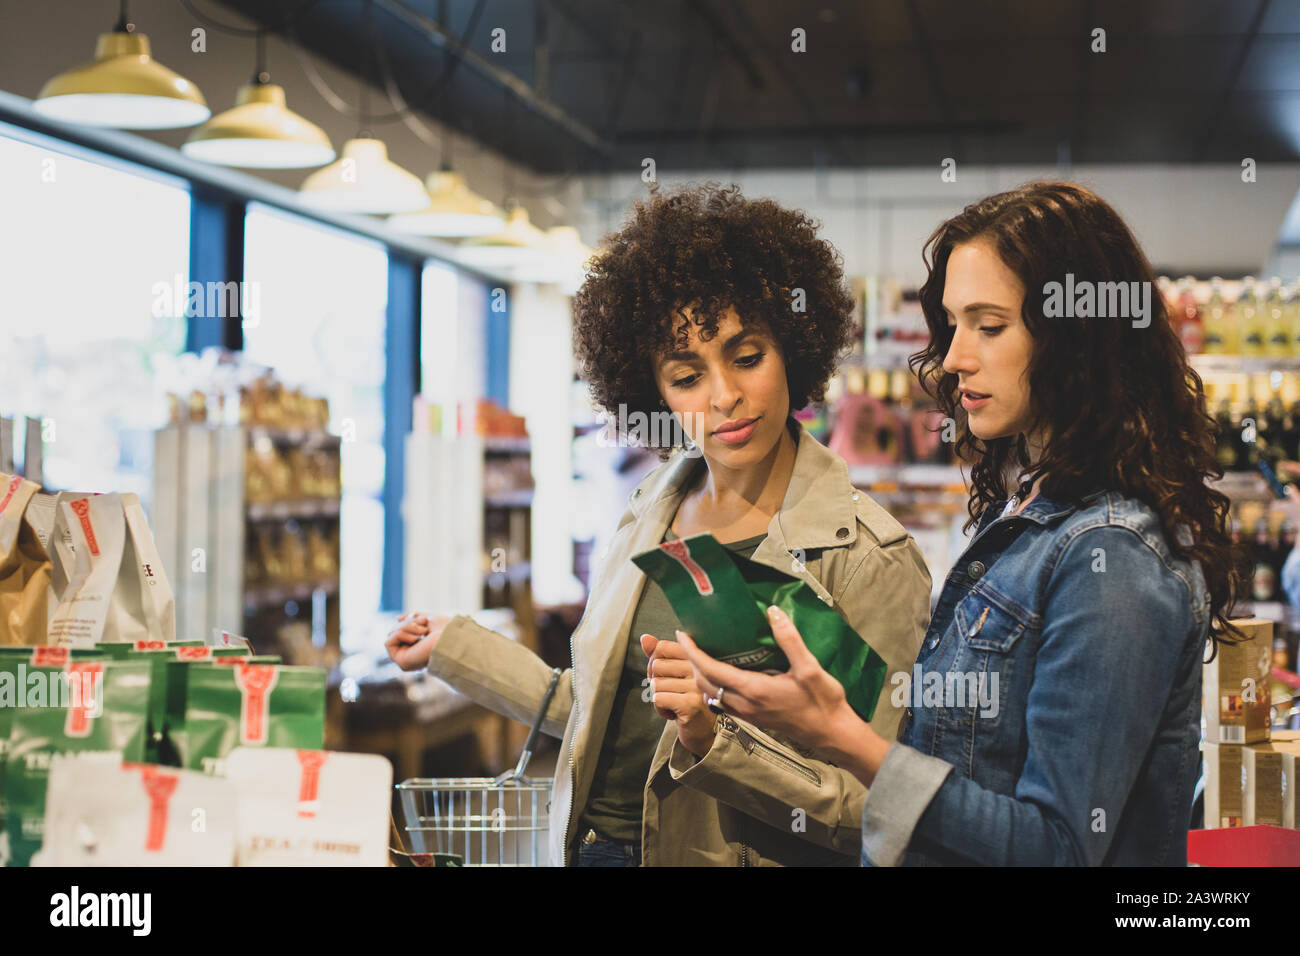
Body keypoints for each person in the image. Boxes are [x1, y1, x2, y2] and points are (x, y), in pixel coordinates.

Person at [677, 181, 1250, 866]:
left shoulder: (1112, 556)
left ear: (1076, 336)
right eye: (952, 324)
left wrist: (844, 739)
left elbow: (1058, 849)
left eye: (990, 325)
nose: (953, 357)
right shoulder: (1025, 517)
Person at [386, 183, 931, 866]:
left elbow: (874, 810)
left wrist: (714, 743)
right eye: (685, 374)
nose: (723, 396)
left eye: (746, 355)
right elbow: (593, 710)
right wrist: (455, 649)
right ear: (653, 391)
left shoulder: (867, 558)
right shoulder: (652, 509)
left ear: (794, 346)